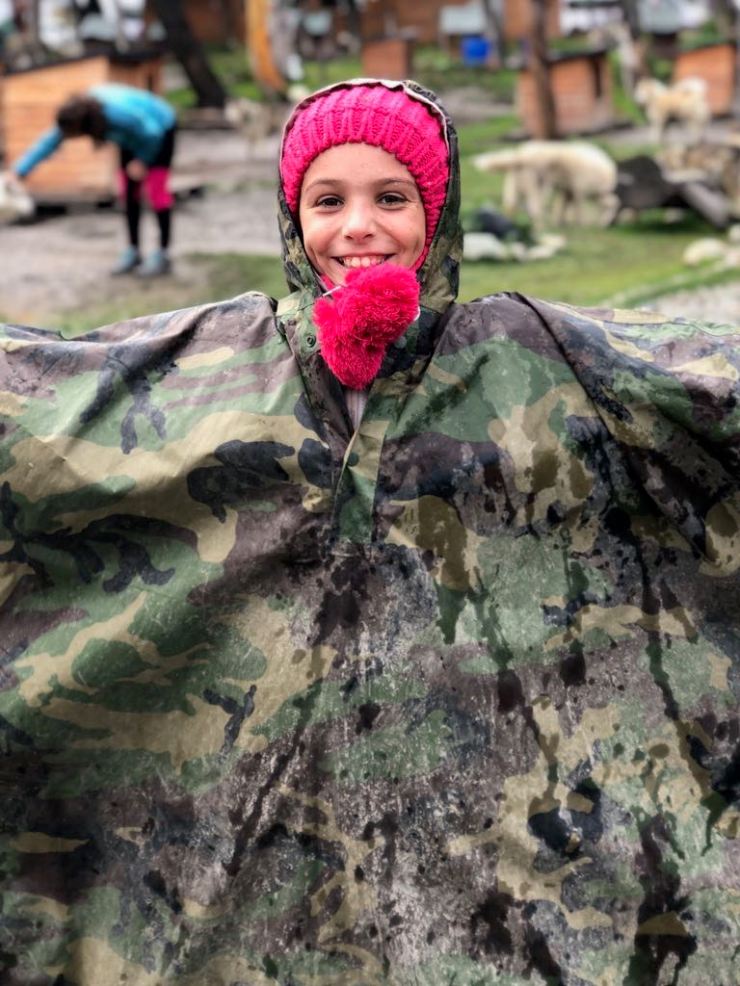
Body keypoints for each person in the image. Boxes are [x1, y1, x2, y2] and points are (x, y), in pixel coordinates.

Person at [0, 78, 738, 984]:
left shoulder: (527, 352)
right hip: (263, 830)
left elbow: (697, 388)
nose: (359, 227)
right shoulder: (233, 358)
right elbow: (61, 403)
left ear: (437, 212)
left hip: (502, 804)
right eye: (328, 200)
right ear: (290, 213)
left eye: (392, 199)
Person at [8, 82, 177, 276]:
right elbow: (48, 142)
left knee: (157, 192)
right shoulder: (74, 116)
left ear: (85, 126)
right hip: (132, 139)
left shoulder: (117, 115)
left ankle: (163, 254)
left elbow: (151, 132)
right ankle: (133, 251)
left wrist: (143, 160)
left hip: (160, 129)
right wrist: (19, 171)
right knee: (128, 193)